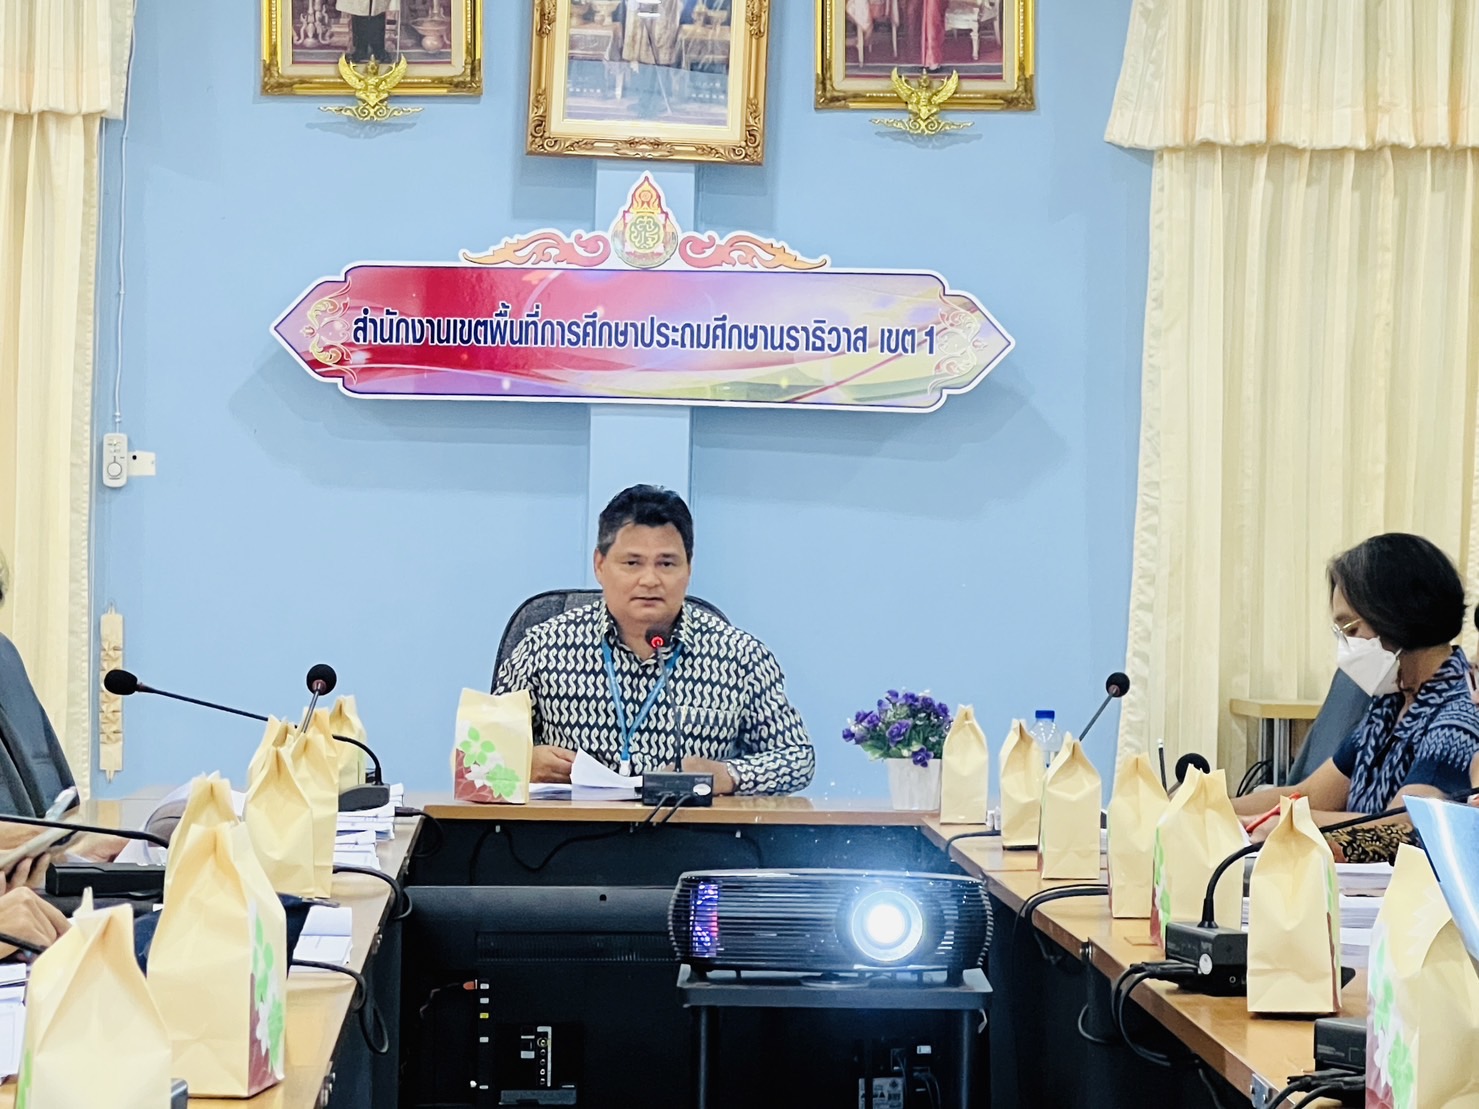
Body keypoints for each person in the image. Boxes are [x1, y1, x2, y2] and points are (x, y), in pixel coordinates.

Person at [493, 484, 815, 795]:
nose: (650, 580)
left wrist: (729, 775)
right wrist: (521, 762)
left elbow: (798, 757)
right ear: (600, 565)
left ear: (689, 568)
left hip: (689, 829)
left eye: (666, 564)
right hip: (569, 830)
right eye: (632, 563)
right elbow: (478, 752)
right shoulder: (544, 647)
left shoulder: (739, 657)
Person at [1234, 534, 1479, 845]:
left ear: (1398, 616)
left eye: (1351, 628)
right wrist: (1207, 808)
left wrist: (1292, 823)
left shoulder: (1461, 713)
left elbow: (1404, 825)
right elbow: (1309, 794)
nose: (1346, 646)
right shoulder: (1390, 705)